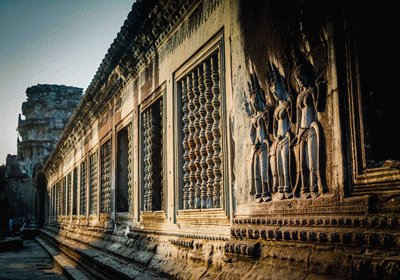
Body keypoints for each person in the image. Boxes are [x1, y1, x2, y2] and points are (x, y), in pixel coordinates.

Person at [293, 58, 323, 198]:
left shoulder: (312, 90)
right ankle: (304, 188)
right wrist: (296, 134)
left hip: (311, 129)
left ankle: (314, 186)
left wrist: (320, 90)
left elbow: (318, 108)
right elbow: (298, 119)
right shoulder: (299, 97)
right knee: (302, 164)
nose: (300, 81)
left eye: (301, 77)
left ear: (307, 75)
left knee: (312, 161)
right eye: (297, 79)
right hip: (302, 131)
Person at [268, 63, 294, 199]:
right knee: (278, 166)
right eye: (273, 92)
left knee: (285, 164)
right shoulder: (276, 109)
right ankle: (281, 187)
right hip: (278, 139)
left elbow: (293, 120)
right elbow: (273, 128)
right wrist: (275, 137)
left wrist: (289, 133)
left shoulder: (287, 104)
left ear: (281, 88)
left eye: (276, 90)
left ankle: (288, 186)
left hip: (286, 137)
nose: (275, 94)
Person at [248, 72, 273, 202]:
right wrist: (253, 143)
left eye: (256, 101)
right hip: (256, 147)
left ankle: (266, 191)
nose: (255, 104)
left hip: (264, 144)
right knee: (256, 171)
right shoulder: (254, 119)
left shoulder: (264, 113)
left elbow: (269, 129)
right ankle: (258, 192)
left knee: (264, 171)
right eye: (253, 102)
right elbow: (252, 134)